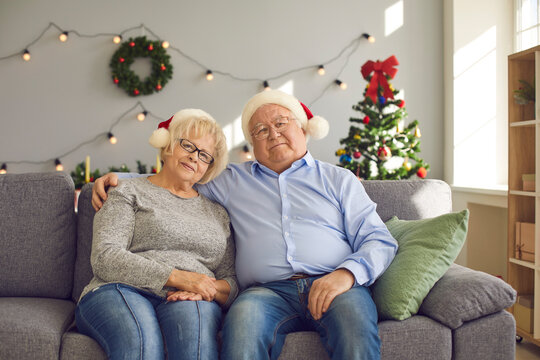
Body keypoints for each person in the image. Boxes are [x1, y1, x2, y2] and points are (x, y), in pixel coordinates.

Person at [92, 90, 398, 360]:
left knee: (355, 330)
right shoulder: (231, 181)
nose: (272, 134)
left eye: (280, 123)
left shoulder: (339, 180)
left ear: (303, 128)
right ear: (252, 145)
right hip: (267, 292)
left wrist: (345, 275)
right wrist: (118, 179)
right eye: (260, 130)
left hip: (335, 284)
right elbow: (179, 177)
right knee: (243, 326)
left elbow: (379, 240)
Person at [77, 109, 237, 360]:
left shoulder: (219, 214)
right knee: (140, 343)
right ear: (167, 146)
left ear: (208, 168)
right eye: (188, 146)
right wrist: (180, 278)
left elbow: (230, 279)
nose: (195, 158)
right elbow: (105, 257)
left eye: (204, 155)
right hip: (121, 289)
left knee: (195, 348)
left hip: (190, 299)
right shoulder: (126, 191)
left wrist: (207, 288)